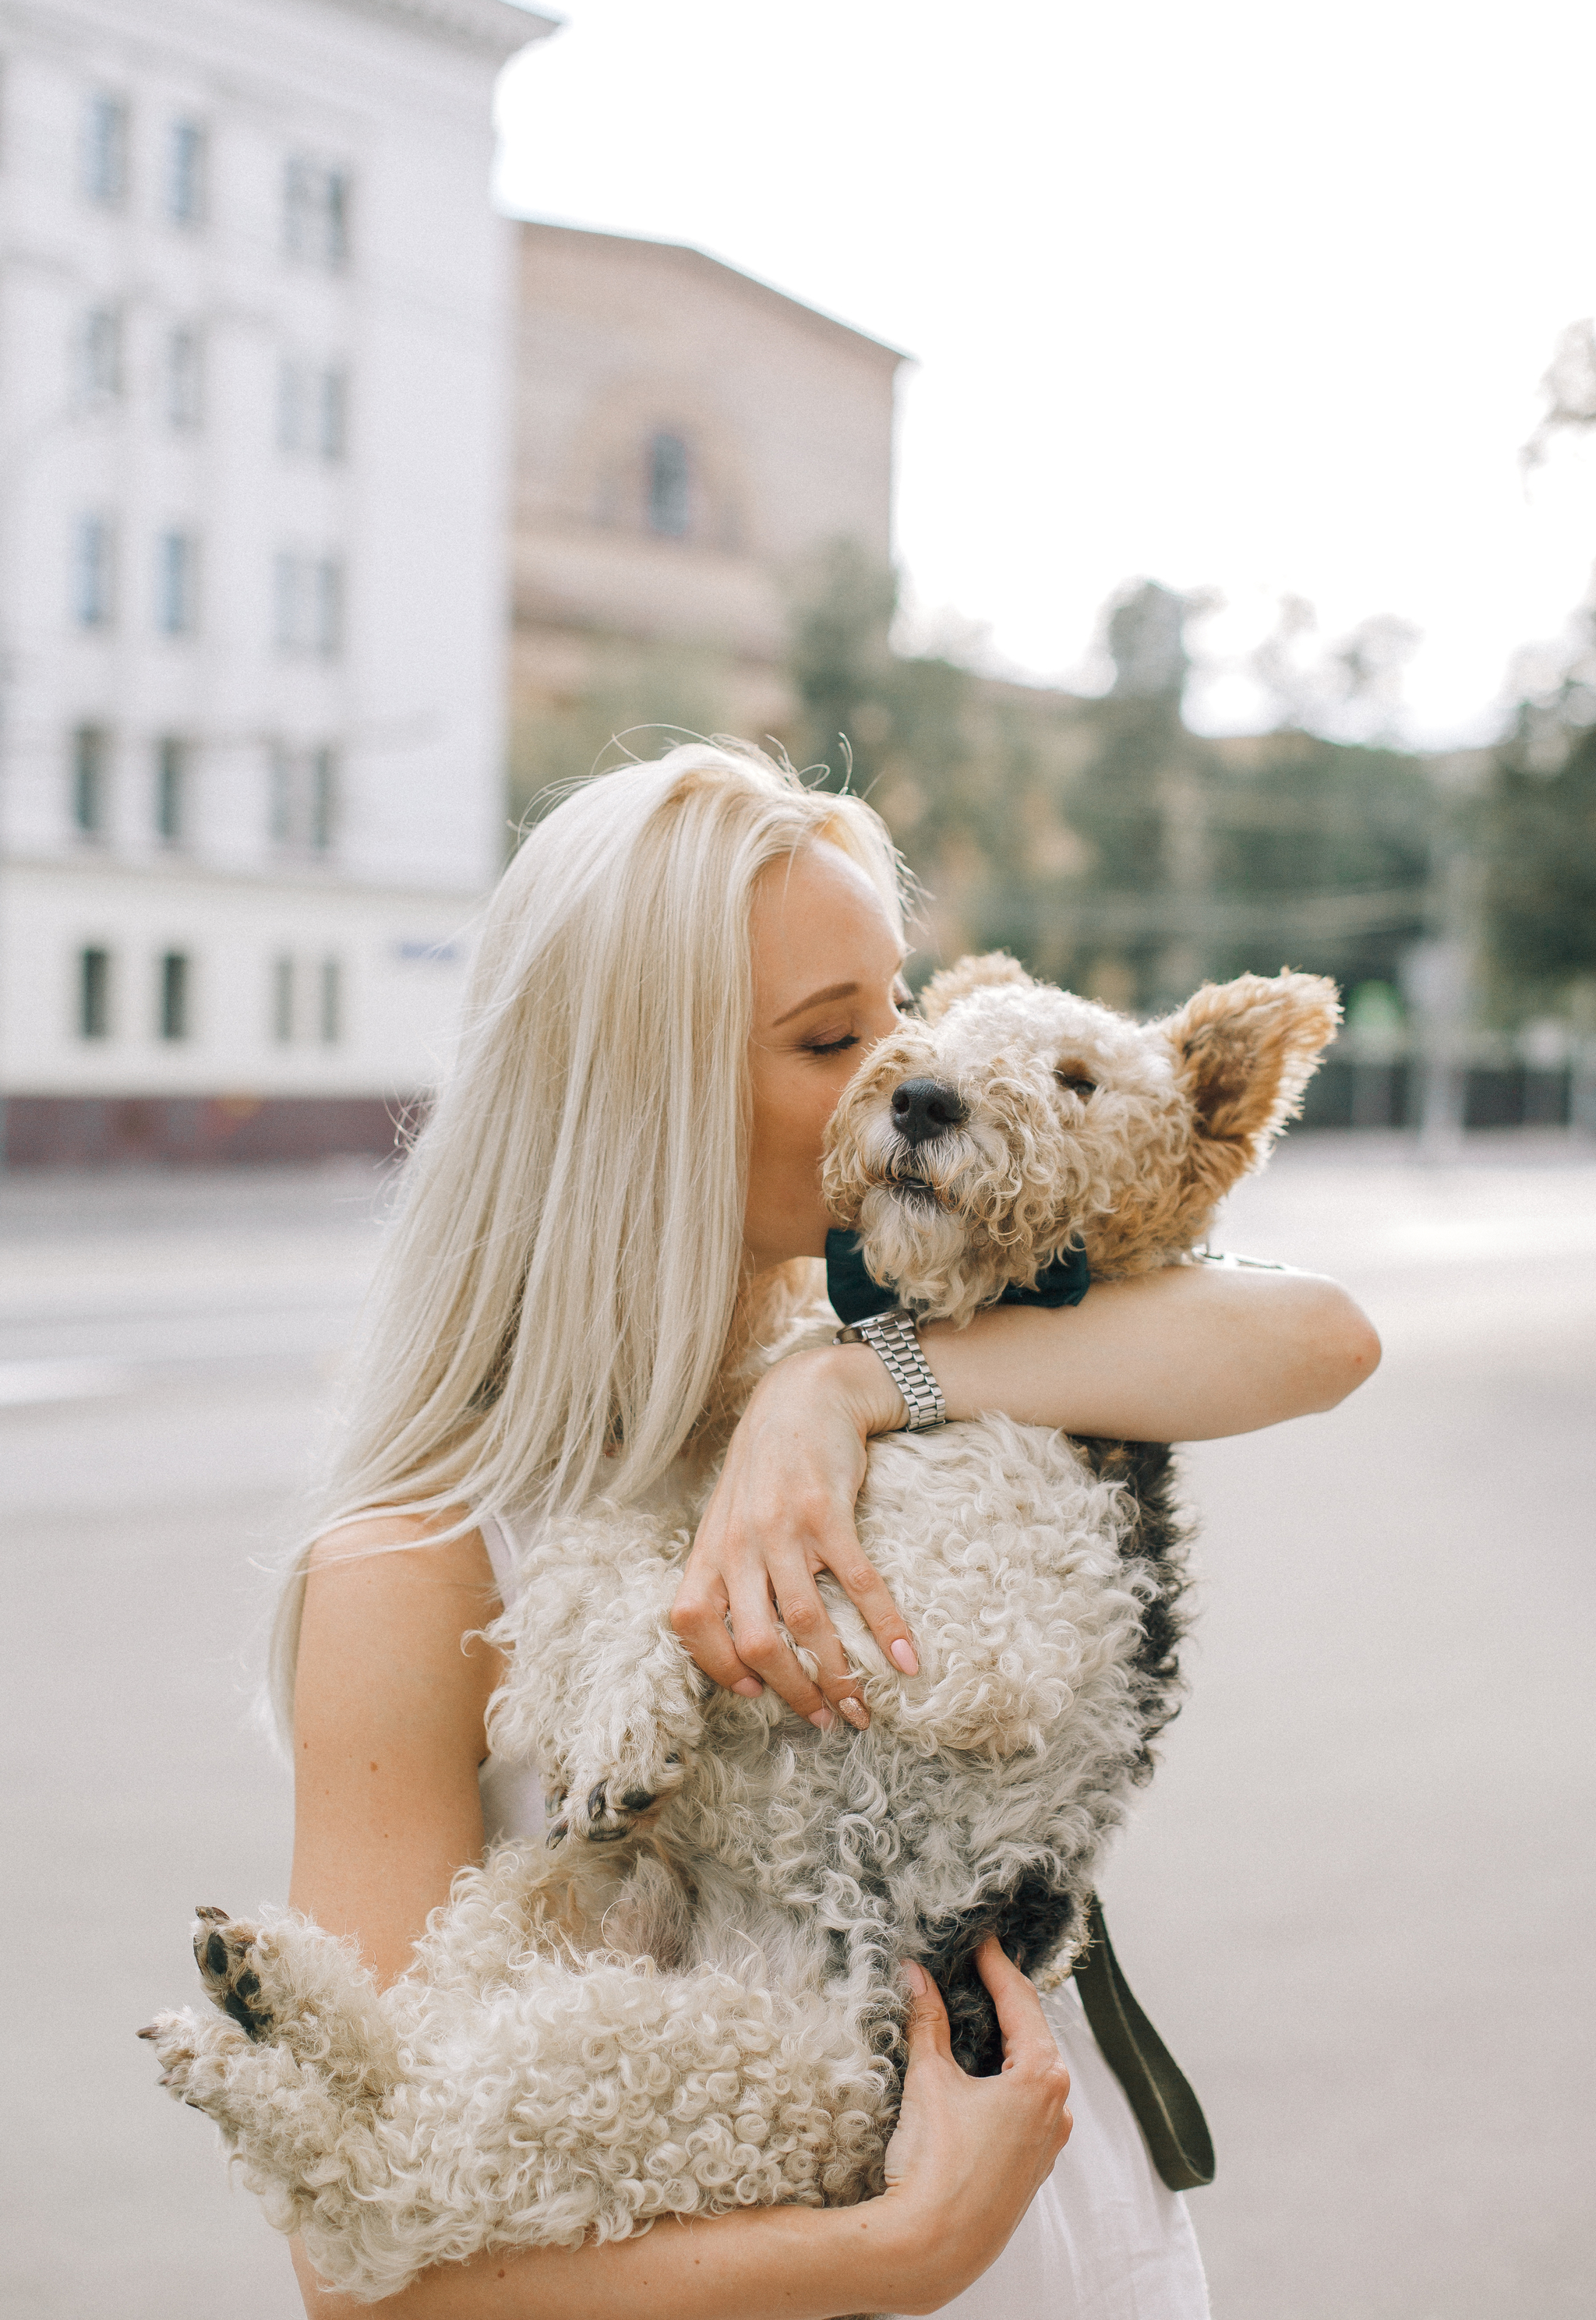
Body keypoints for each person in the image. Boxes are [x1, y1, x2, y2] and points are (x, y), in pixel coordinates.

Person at [274, 741, 1379, 2318]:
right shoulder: (416, 1562)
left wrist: (844, 1389)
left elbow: (1318, 1336)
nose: (904, 1072)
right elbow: (359, 2273)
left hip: (1083, 2236)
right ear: (643, 1094)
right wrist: (898, 2251)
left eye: (902, 1012)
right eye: (831, 1037)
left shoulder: (889, 1357)